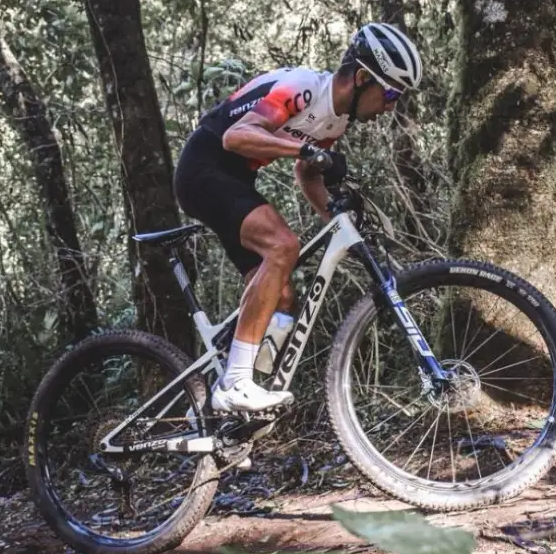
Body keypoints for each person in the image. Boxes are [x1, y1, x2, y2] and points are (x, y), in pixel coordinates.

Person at [174, 22, 423, 414]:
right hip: (204, 167)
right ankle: (236, 383)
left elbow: (307, 175)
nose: (391, 106)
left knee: (283, 298)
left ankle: (222, 409)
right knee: (282, 245)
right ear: (361, 78)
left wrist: (337, 218)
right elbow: (236, 137)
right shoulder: (305, 88)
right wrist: (306, 151)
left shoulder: (336, 121)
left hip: (234, 177)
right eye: (391, 92)